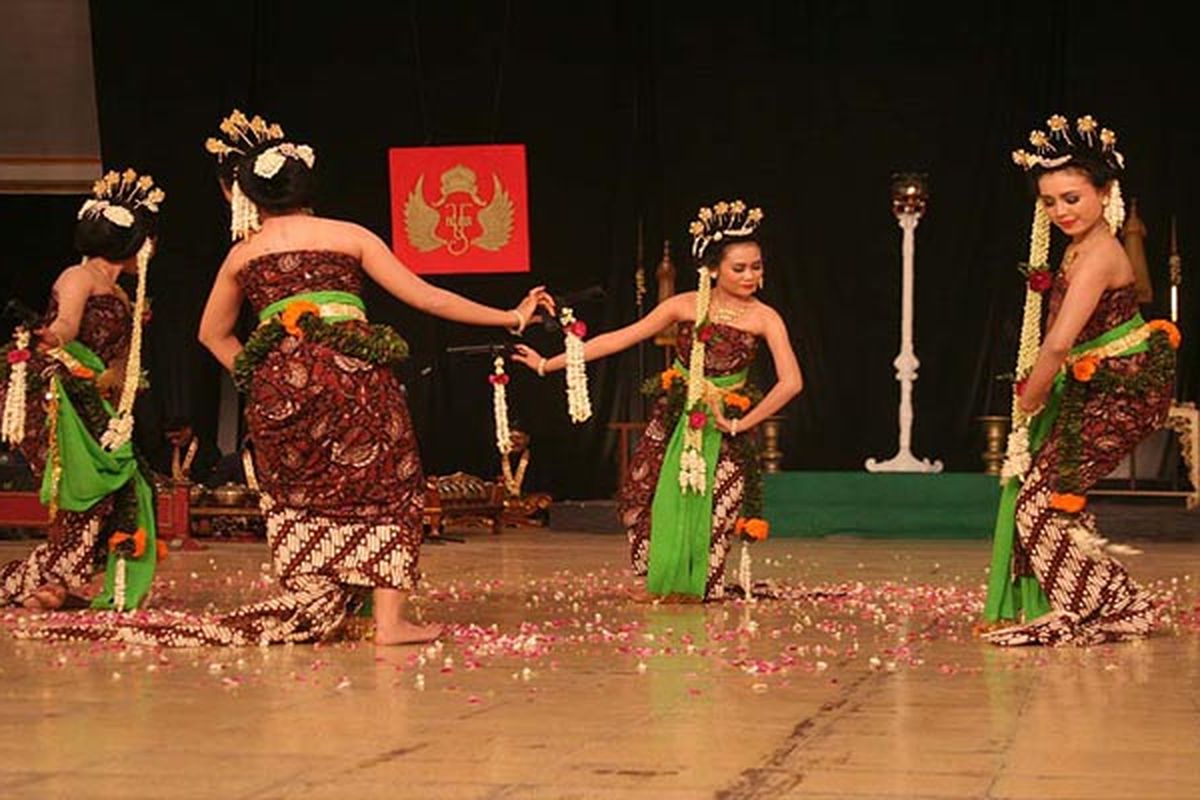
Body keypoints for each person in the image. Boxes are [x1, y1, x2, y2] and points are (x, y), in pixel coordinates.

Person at [27, 110, 551, 647]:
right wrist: (509, 316)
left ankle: (314, 591)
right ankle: (391, 622)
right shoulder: (348, 235)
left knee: (300, 493)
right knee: (390, 484)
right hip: (355, 381)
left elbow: (212, 334)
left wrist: (259, 376)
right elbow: (425, 296)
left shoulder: (243, 252)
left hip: (281, 387)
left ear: (250, 196)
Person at [514, 200, 802, 600]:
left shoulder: (765, 317)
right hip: (675, 415)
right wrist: (550, 363)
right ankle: (660, 581)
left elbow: (791, 383)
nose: (751, 275)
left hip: (724, 422)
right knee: (642, 494)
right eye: (740, 268)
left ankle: (699, 585)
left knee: (715, 506)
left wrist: (740, 424)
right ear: (714, 269)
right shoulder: (684, 304)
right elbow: (618, 338)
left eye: (757, 267)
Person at [983, 114, 1179, 645]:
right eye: (1050, 202)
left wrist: (1032, 396)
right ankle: (1091, 604)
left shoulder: (1100, 255)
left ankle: (1117, 604)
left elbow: (1060, 343)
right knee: (1043, 498)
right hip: (1096, 384)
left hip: (1124, 386)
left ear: (1105, 191)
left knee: (1042, 500)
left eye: (1072, 198)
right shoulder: (1075, 248)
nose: (1061, 211)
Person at [1, 169, 165, 611]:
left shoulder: (124, 295)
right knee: (86, 489)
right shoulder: (79, 277)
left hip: (94, 396)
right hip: (61, 391)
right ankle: (51, 581)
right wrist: (49, 337)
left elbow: (120, 359)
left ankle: (59, 580)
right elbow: (67, 327)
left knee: (124, 487)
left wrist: (117, 381)